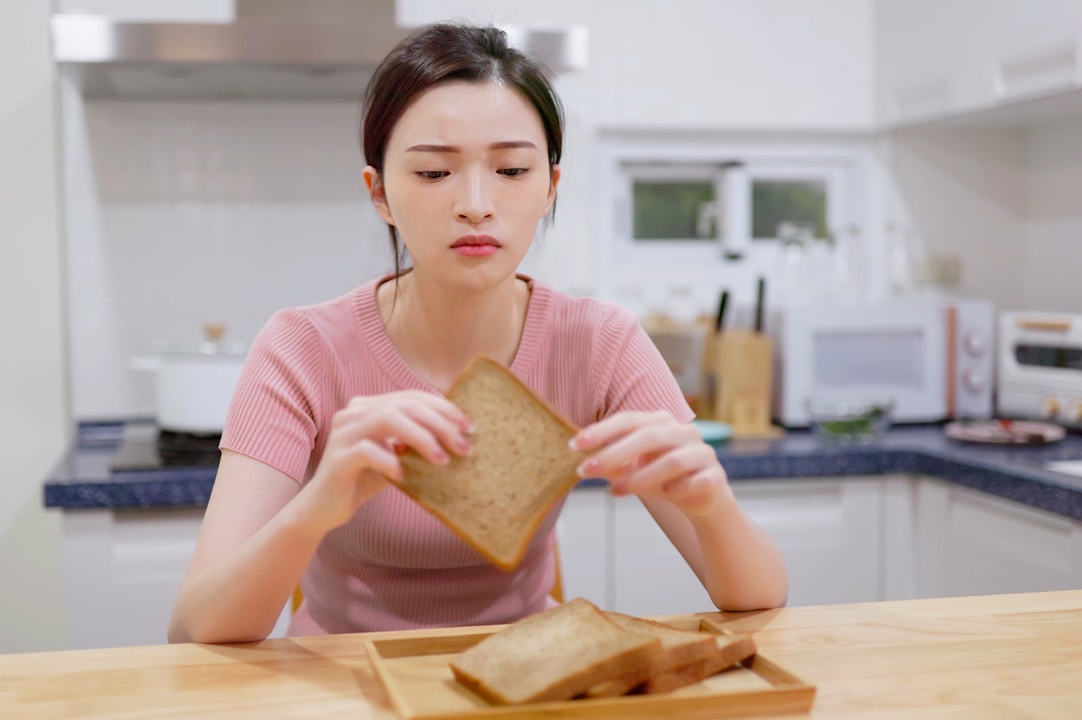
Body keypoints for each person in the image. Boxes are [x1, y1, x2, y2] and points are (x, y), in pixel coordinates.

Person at [168, 23, 787, 644]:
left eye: (512, 170)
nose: (475, 203)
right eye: (434, 173)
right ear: (379, 192)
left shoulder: (600, 342)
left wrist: (713, 508)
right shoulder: (302, 348)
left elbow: (759, 596)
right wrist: (313, 511)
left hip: (529, 680)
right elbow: (195, 631)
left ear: (550, 187)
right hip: (344, 683)